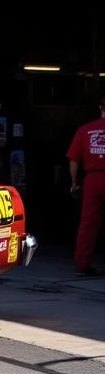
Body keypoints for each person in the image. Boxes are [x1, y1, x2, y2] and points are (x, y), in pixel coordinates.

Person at [67, 94, 105, 276]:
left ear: (100, 108)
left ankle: (82, 264)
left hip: (92, 179)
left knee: (88, 223)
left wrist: (74, 183)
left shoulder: (85, 130)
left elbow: (74, 159)